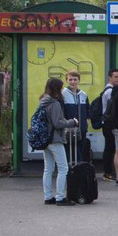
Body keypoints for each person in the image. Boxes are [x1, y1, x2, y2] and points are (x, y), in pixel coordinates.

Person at [39, 77, 79, 206]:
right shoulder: (55, 103)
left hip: (45, 139)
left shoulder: (43, 101)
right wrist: (72, 122)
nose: (62, 90)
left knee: (48, 169)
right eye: (61, 87)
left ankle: (48, 196)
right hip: (55, 139)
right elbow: (58, 123)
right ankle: (60, 197)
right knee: (63, 168)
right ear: (57, 89)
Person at [62, 70, 89, 163]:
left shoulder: (83, 94)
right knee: (69, 151)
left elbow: (87, 111)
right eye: (70, 79)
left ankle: (79, 170)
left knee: (80, 150)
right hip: (68, 129)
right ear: (67, 80)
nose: (72, 82)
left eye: (75, 79)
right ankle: (70, 171)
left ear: (79, 80)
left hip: (82, 128)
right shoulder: (63, 94)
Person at [100, 69, 118, 182]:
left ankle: (109, 171)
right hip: (109, 124)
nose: (117, 79)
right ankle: (108, 172)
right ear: (110, 78)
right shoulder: (110, 92)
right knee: (110, 148)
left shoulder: (110, 90)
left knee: (110, 147)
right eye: (115, 77)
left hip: (107, 123)